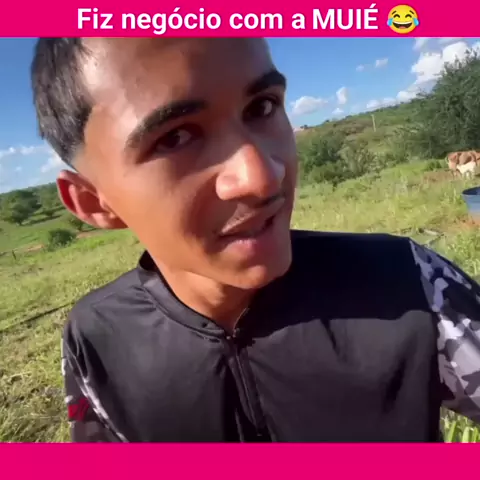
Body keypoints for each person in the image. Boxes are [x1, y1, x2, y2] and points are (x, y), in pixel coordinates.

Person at [31, 38, 480, 442]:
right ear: (94, 203)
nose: (263, 177)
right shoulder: (96, 338)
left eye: (262, 107)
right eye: (175, 138)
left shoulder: (411, 284)